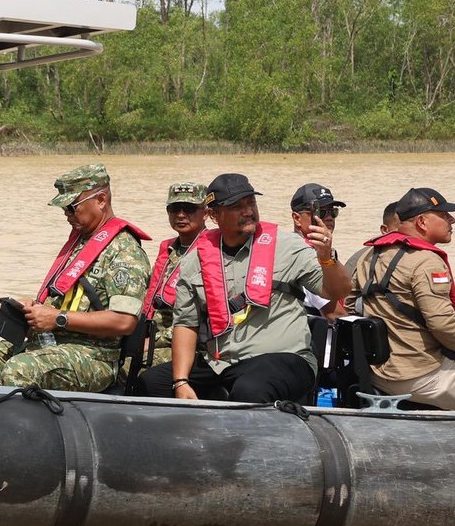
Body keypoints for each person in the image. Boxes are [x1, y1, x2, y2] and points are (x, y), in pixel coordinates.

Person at [134, 173, 350, 404]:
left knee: (250, 388)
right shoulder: (195, 259)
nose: (248, 211)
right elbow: (186, 323)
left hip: (284, 358)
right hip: (222, 362)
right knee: (151, 383)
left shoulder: (288, 247)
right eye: (237, 206)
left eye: (251, 203)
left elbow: (337, 291)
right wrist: (181, 382)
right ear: (213, 215)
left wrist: (327, 258)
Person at [0, 164, 151, 392]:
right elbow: (67, 299)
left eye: (72, 207)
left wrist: (58, 319)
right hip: (47, 344)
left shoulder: (124, 251)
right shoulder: (79, 243)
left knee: (20, 370)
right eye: (64, 209)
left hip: (93, 355)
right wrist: (35, 308)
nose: (67, 215)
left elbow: (124, 321)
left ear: (101, 200)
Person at [350, 188, 455, 414]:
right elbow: (443, 324)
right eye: (444, 215)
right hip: (420, 374)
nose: (452, 220)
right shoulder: (426, 261)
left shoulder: (369, 256)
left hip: (378, 372)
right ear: (422, 221)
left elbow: (349, 306)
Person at [140, 181, 209, 367]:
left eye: (189, 208)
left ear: (206, 212)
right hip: (150, 333)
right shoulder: (169, 250)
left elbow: (203, 319)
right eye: (174, 208)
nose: (180, 215)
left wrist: (152, 341)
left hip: (188, 342)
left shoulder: (212, 254)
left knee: (131, 366)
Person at [289, 183, 347, 317]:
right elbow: (334, 314)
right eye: (320, 212)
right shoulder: (305, 253)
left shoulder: (320, 250)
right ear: (297, 218)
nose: (329, 217)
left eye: (333, 212)